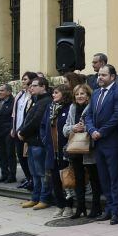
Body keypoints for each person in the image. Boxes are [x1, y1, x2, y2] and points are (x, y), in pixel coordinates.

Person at [85, 64, 118, 224]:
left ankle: (116, 211)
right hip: (97, 142)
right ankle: (108, 208)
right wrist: (91, 130)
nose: (99, 78)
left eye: (103, 75)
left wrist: (101, 131)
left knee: (114, 177)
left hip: (112, 142)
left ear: (112, 77)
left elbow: (117, 116)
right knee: (103, 178)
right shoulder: (95, 93)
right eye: (99, 75)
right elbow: (88, 115)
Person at [65, 84, 102, 219]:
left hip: (90, 148)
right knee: (78, 179)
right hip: (75, 148)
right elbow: (65, 128)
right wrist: (73, 128)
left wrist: (85, 127)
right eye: (77, 94)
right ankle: (80, 207)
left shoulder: (93, 105)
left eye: (82, 94)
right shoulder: (72, 108)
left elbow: (97, 124)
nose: (79, 96)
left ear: (88, 95)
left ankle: (96, 207)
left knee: (93, 178)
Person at [18, 77, 51, 208]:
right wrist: (22, 130)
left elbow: (36, 121)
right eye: (31, 86)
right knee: (34, 173)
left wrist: (22, 132)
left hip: (39, 142)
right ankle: (35, 197)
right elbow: (27, 119)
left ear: (43, 87)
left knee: (42, 173)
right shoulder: (36, 101)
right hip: (31, 142)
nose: (31, 88)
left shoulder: (46, 101)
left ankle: (44, 198)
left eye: (35, 85)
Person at [40, 84, 71, 217]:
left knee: (66, 180)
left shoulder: (69, 107)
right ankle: (60, 205)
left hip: (64, 150)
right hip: (52, 150)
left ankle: (69, 206)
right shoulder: (50, 107)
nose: (53, 95)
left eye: (56, 93)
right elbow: (43, 125)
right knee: (55, 180)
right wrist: (44, 139)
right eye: (53, 93)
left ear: (64, 94)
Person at [10, 72, 36, 191]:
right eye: (22, 79)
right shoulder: (20, 95)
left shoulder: (32, 96)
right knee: (20, 156)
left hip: (26, 132)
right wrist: (13, 128)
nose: (23, 81)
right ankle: (28, 178)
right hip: (17, 130)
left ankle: (32, 180)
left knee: (27, 157)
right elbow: (15, 113)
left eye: (25, 79)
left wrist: (23, 130)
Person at [0, 84, 16, 184]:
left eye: (2, 90)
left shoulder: (13, 102)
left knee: (9, 154)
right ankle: (4, 174)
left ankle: (11, 175)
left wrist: (11, 130)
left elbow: (13, 118)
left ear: (8, 92)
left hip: (8, 133)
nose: (0, 92)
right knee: (1, 155)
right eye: (0, 90)